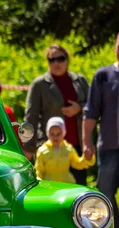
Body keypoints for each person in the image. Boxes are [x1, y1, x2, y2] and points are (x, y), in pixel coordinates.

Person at [83, 29, 119, 228]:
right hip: (109, 146)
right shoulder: (103, 76)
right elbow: (90, 112)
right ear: (115, 47)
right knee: (104, 191)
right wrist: (87, 141)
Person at [25, 44, 90, 182]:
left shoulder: (80, 81)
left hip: (76, 148)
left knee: (78, 192)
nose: (56, 63)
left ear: (67, 60)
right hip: (50, 149)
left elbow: (94, 107)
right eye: (51, 60)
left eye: (60, 58)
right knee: (51, 193)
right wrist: (28, 147)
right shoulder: (39, 84)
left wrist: (79, 108)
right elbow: (31, 117)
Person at [34, 117, 94, 183]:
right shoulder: (42, 150)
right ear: (48, 133)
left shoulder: (68, 148)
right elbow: (38, 170)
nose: (55, 137)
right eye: (52, 134)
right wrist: (39, 182)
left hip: (66, 185)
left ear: (63, 133)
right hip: (49, 186)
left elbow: (77, 164)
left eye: (58, 134)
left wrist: (87, 158)